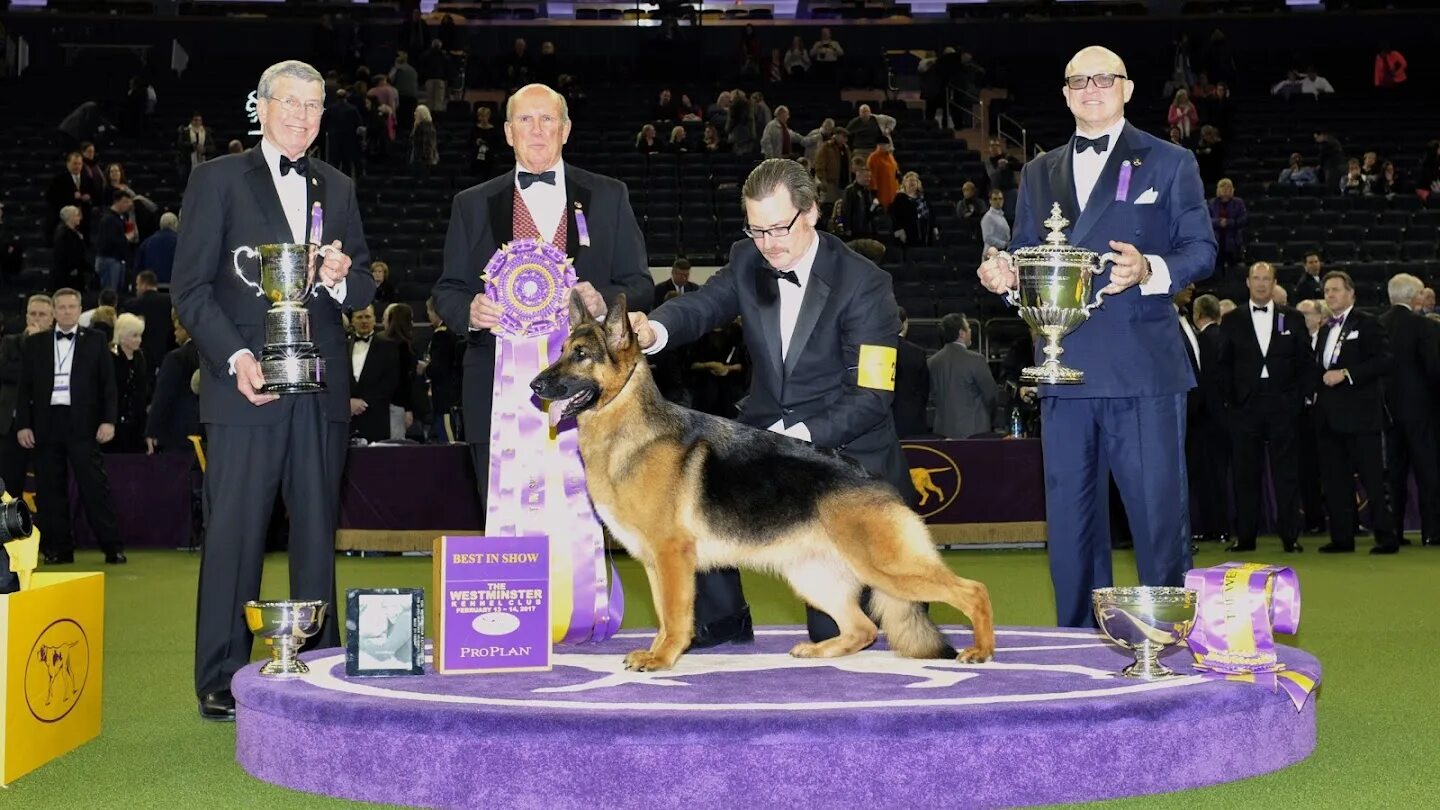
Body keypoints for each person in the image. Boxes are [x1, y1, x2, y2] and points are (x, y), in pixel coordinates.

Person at [976, 46, 1217, 628]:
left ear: (1127, 88)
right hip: (1065, 370)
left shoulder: (1171, 161)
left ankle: (1166, 643)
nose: (1091, 88)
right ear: (1064, 94)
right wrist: (1007, 277)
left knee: (1157, 519)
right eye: (1078, 80)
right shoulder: (1038, 171)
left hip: (1142, 371)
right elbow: (1034, 258)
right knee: (1072, 524)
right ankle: (1079, 648)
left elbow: (1203, 251)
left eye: (1103, 78)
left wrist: (1150, 269)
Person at [627, 158, 909, 648]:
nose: (769, 244)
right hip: (765, 444)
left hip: (845, 458)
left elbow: (871, 398)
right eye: (757, 230)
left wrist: (790, 443)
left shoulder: (866, 283)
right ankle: (720, 620)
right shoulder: (747, 259)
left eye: (780, 227)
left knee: (848, 633)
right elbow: (703, 306)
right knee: (688, 493)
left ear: (812, 212)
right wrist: (654, 329)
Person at [172, 60, 374, 723]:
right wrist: (235, 357)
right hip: (244, 389)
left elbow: (364, 290)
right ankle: (221, 675)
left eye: (316, 106)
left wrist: (343, 276)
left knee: (318, 533)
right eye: (291, 103)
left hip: (321, 390)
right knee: (233, 535)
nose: (304, 117)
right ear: (261, 106)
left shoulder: (338, 185)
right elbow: (192, 290)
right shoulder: (216, 180)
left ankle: (318, 667)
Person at [433, 83, 653, 515]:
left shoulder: (609, 196)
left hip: (590, 397)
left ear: (566, 130)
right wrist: (470, 312)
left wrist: (603, 303)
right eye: (525, 120)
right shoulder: (472, 204)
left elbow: (640, 283)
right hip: (495, 393)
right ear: (508, 132)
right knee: (503, 521)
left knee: (583, 529)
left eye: (547, 119)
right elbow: (447, 291)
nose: (537, 130)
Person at [15, 288, 124, 566]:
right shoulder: (35, 344)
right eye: (61, 307)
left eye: (71, 307)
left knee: (94, 488)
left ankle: (112, 547)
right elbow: (23, 388)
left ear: (79, 309)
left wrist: (108, 421)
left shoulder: (97, 341)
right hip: (46, 424)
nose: (66, 311)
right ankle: (58, 548)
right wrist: (23, 425)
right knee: (50, 491)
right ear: (53, 312)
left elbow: (108, 386)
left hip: (84, 425)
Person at [1214, 262, 1311, 554]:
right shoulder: (1232, 319)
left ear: (1274, 283)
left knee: (1287, 473)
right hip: (1246, 407)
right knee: (1245, 473)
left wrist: (1299, 398)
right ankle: (1245, 537)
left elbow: (1305, 361)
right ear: (1247, 282)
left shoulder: (1292, 318)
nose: (1260, 283)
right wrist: (1233, 400)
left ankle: (1290, 536)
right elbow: (1223, 365)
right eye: (1255, 278)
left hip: (1283, 405)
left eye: (1266, 279)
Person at [1313, 271, 1397, 555]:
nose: (1331, 295)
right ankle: (1342, 538)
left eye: (1336, 289)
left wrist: (1347, 373)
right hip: (1330, 418)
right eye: (1327, 291)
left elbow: (1385, 361)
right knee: (1336, 482)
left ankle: (1386, 538)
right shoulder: (1324, 329)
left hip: (1361, 418)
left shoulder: (1368, 322)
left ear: (1351, 293)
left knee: (1373, 481)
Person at [1378, 273, 1440, 547]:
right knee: (1427, 471)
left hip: (1387, 412)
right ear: (1415, 296)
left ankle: (1394, 531)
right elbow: (1434, 370)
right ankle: (1432, 532)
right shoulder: (1425, 326)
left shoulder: (1377, 324)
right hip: (1421, 411)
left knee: (1394, 473)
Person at [0, 295, 54, 499]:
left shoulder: (57, 348)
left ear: (52, 318)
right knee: (8, 485)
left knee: (47, 486)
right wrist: (30, 344)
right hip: (10, 425)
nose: (36, 318)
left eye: (42, 314)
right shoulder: (10, 341)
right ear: (26, 316)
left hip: (46, 425)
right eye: (33, 313)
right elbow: (4, 372)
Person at [927, 313, 996, 439]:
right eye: (968, 328)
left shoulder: (932, 362)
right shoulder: (976, 360)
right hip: (974, 432)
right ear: (961, 333)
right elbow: (991, 394)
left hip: (942, 431)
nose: (970, 331)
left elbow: (932, 396)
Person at [108, 312, 151, 454]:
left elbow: (143, 390)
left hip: (136, 423)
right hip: (114, 423)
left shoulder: (140, 358)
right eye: (134, 335)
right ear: (122, 335)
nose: (139, 340)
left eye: (140, 335)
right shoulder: (109, 357)